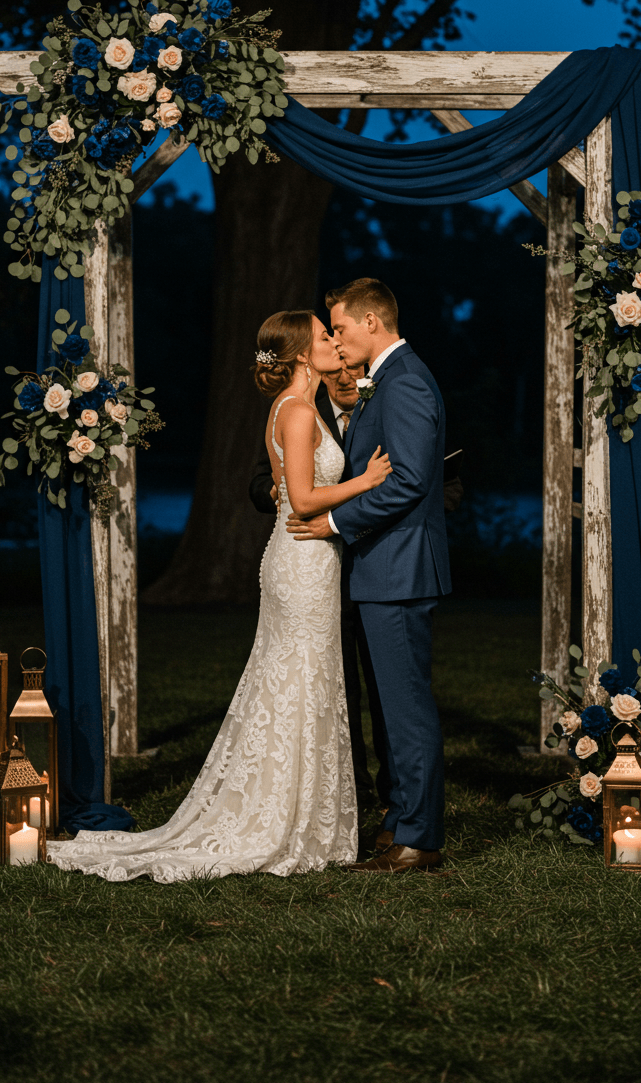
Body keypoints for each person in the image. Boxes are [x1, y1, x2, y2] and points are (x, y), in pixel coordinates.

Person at [46, 310, 392, 883]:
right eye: (324, 334)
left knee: (300, 684)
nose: (334, 341)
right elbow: (304, 500)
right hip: (302, 562)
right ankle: (286, 822)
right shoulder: (300, 410)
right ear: (303, 353)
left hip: (300, 561)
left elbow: (288, 487)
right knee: (301, 684)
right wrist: (367, 479)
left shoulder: (286, 408)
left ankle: (306, 818)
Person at [287, 278, 452, 873]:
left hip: (400, 571)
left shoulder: (404, 382)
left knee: (405, 708)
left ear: (372, 323)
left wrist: (334, 522)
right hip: (386, 569)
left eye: (340, 327)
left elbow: (407, 482)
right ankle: (402, 821)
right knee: (393, 705)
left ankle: (418, 838)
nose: (335, 338)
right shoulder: (387, 381)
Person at [249, 359, 391, 812]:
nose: (346, 376)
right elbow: (278, 483)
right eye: (326, 341)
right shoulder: (299, 410)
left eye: (356, 372)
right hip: (309, 555)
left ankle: (368, 792)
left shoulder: (379, 407)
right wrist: (282, 490)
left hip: (366, 562)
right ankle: (330, 793)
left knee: (372, 683)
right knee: (319, 682)